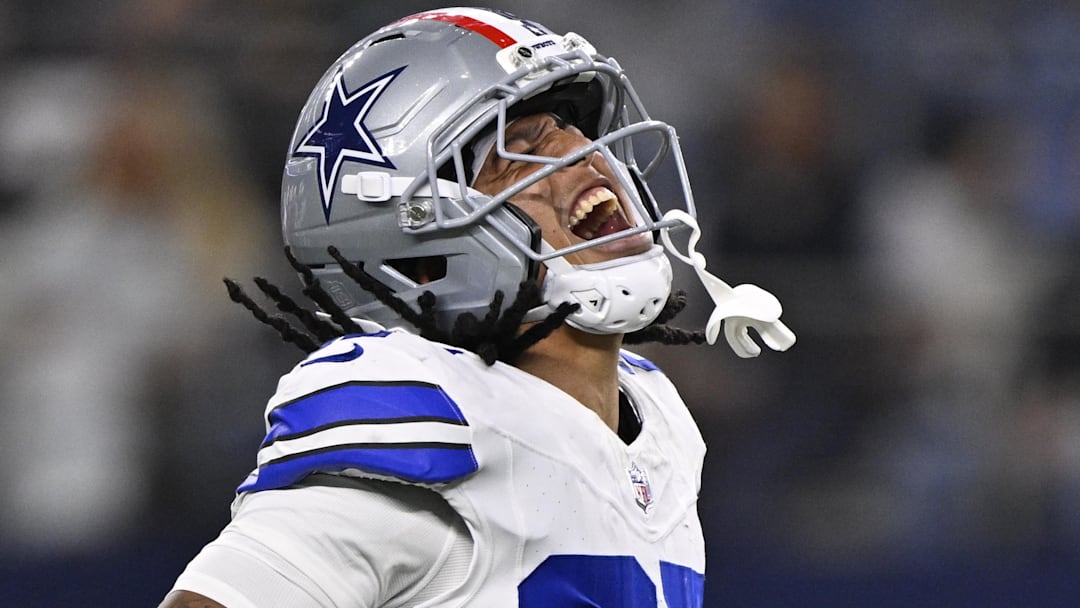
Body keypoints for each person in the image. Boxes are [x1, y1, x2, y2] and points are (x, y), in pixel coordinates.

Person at [160, 7, 794, 607]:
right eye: (521, 148)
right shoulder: (432, 418)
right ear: (421, 240)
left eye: (572, 130)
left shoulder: (658, 421)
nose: (587, 159)